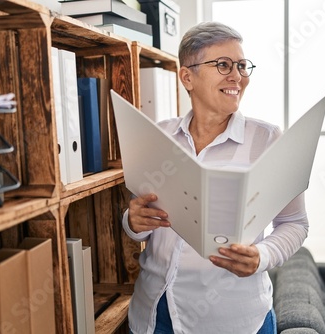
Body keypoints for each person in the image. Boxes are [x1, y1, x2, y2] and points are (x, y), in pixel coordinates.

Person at [122, 22, 309, 334]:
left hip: (234, 318)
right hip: (156, 312)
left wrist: (262, 256)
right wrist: (133, 221)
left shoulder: (266, 139)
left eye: (242, 65)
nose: (237, 76)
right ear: (187, 77)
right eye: (223, 65)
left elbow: (295, 223)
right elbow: (139, 219)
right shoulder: (157, 136)